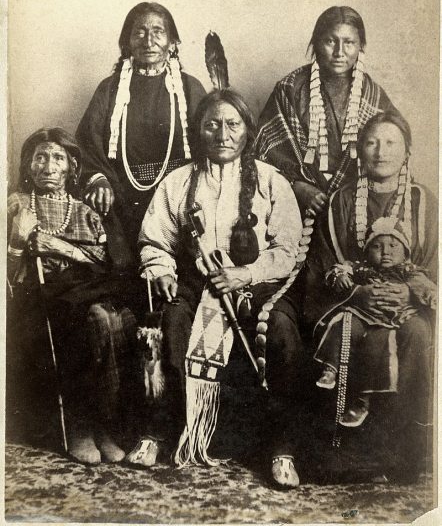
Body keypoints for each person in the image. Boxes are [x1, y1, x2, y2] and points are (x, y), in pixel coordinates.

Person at [137, 89, 304, 488]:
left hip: (261, 285)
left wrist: (244, 275)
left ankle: (281, 448)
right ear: (199, 130)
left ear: (247, 130)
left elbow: (287, 249)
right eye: (212, 124)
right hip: (198, 282)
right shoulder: (178, 182)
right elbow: (154, 240)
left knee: (280, 332)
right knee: (174, 318)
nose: (222, 134)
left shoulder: (270, 181)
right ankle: (160, 433)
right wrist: (160, 269)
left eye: (233, 124)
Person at [304, 111, 437, 481]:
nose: (381, 151)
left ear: (407, 150)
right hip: (355, 304)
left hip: (407, 306)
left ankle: (409, 454)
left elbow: (430, 264)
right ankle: (345, 455)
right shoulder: (341, 203)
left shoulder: (424, 202)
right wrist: (358, 293)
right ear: (359, 150)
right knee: (348, 334)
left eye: (391, 142)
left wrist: (409, 291)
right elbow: (326, 264)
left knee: (420, 334)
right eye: (372, 142)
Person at [7, 128, 141, 466]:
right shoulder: (15, 205)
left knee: (109, 317)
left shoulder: (86, 211)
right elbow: (9, 276)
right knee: (89, 317)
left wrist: (59, 247)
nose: (48, 166)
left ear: (71, 167)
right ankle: (81, 423)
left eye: (57, 157)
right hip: (37, 302)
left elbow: (106, 262)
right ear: (28, 165)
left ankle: (103, 423)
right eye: (40, 157)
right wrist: (18, 242)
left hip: (84, 294)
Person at [76, 2, 206, 263]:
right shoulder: (110, 89)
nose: (149, 41)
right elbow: (87, 142)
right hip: (121, 197)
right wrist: (98, 180)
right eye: (140, 32)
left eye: (158, 32)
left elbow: (209, 144)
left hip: (178, 196)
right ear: (127, 42)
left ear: (172, 42)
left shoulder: (190, 88)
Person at [255, 6, 398, 216]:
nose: (340, 52)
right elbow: (264, 153)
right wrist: (297, 186)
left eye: (349, 42)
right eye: (331, 41)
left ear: (360, 47)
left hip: (357, 203)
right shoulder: (290, 89)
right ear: (316, 43)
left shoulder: (372, 95)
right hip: (296, 201)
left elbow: (395, 151)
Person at [314, 216, 436, 427]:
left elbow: (426, 287)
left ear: (405, 251)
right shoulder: (362, 268)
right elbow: (339, 270)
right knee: (344, 322)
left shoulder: (407, 271)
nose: (385, 251)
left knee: (378, 345)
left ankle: (363, 402)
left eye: (393, 245)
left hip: (393, 318)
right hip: (363, 314)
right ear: (367, 250)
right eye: (377, 246)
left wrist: (432, 296)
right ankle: (330, 368)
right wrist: (339, 276)